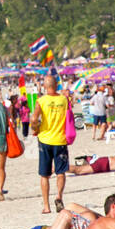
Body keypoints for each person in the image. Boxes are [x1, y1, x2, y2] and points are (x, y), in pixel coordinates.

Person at [31, 74, 70, 214]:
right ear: (57, 85)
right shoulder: (64, 100)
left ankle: (46, 206)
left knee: (44, 175)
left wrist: (34, 128)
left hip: (45, 140)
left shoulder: (41, 100)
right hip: (60, 139)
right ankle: (59, 195)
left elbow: (34, 118)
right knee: (61, 173)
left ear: (45, 86)